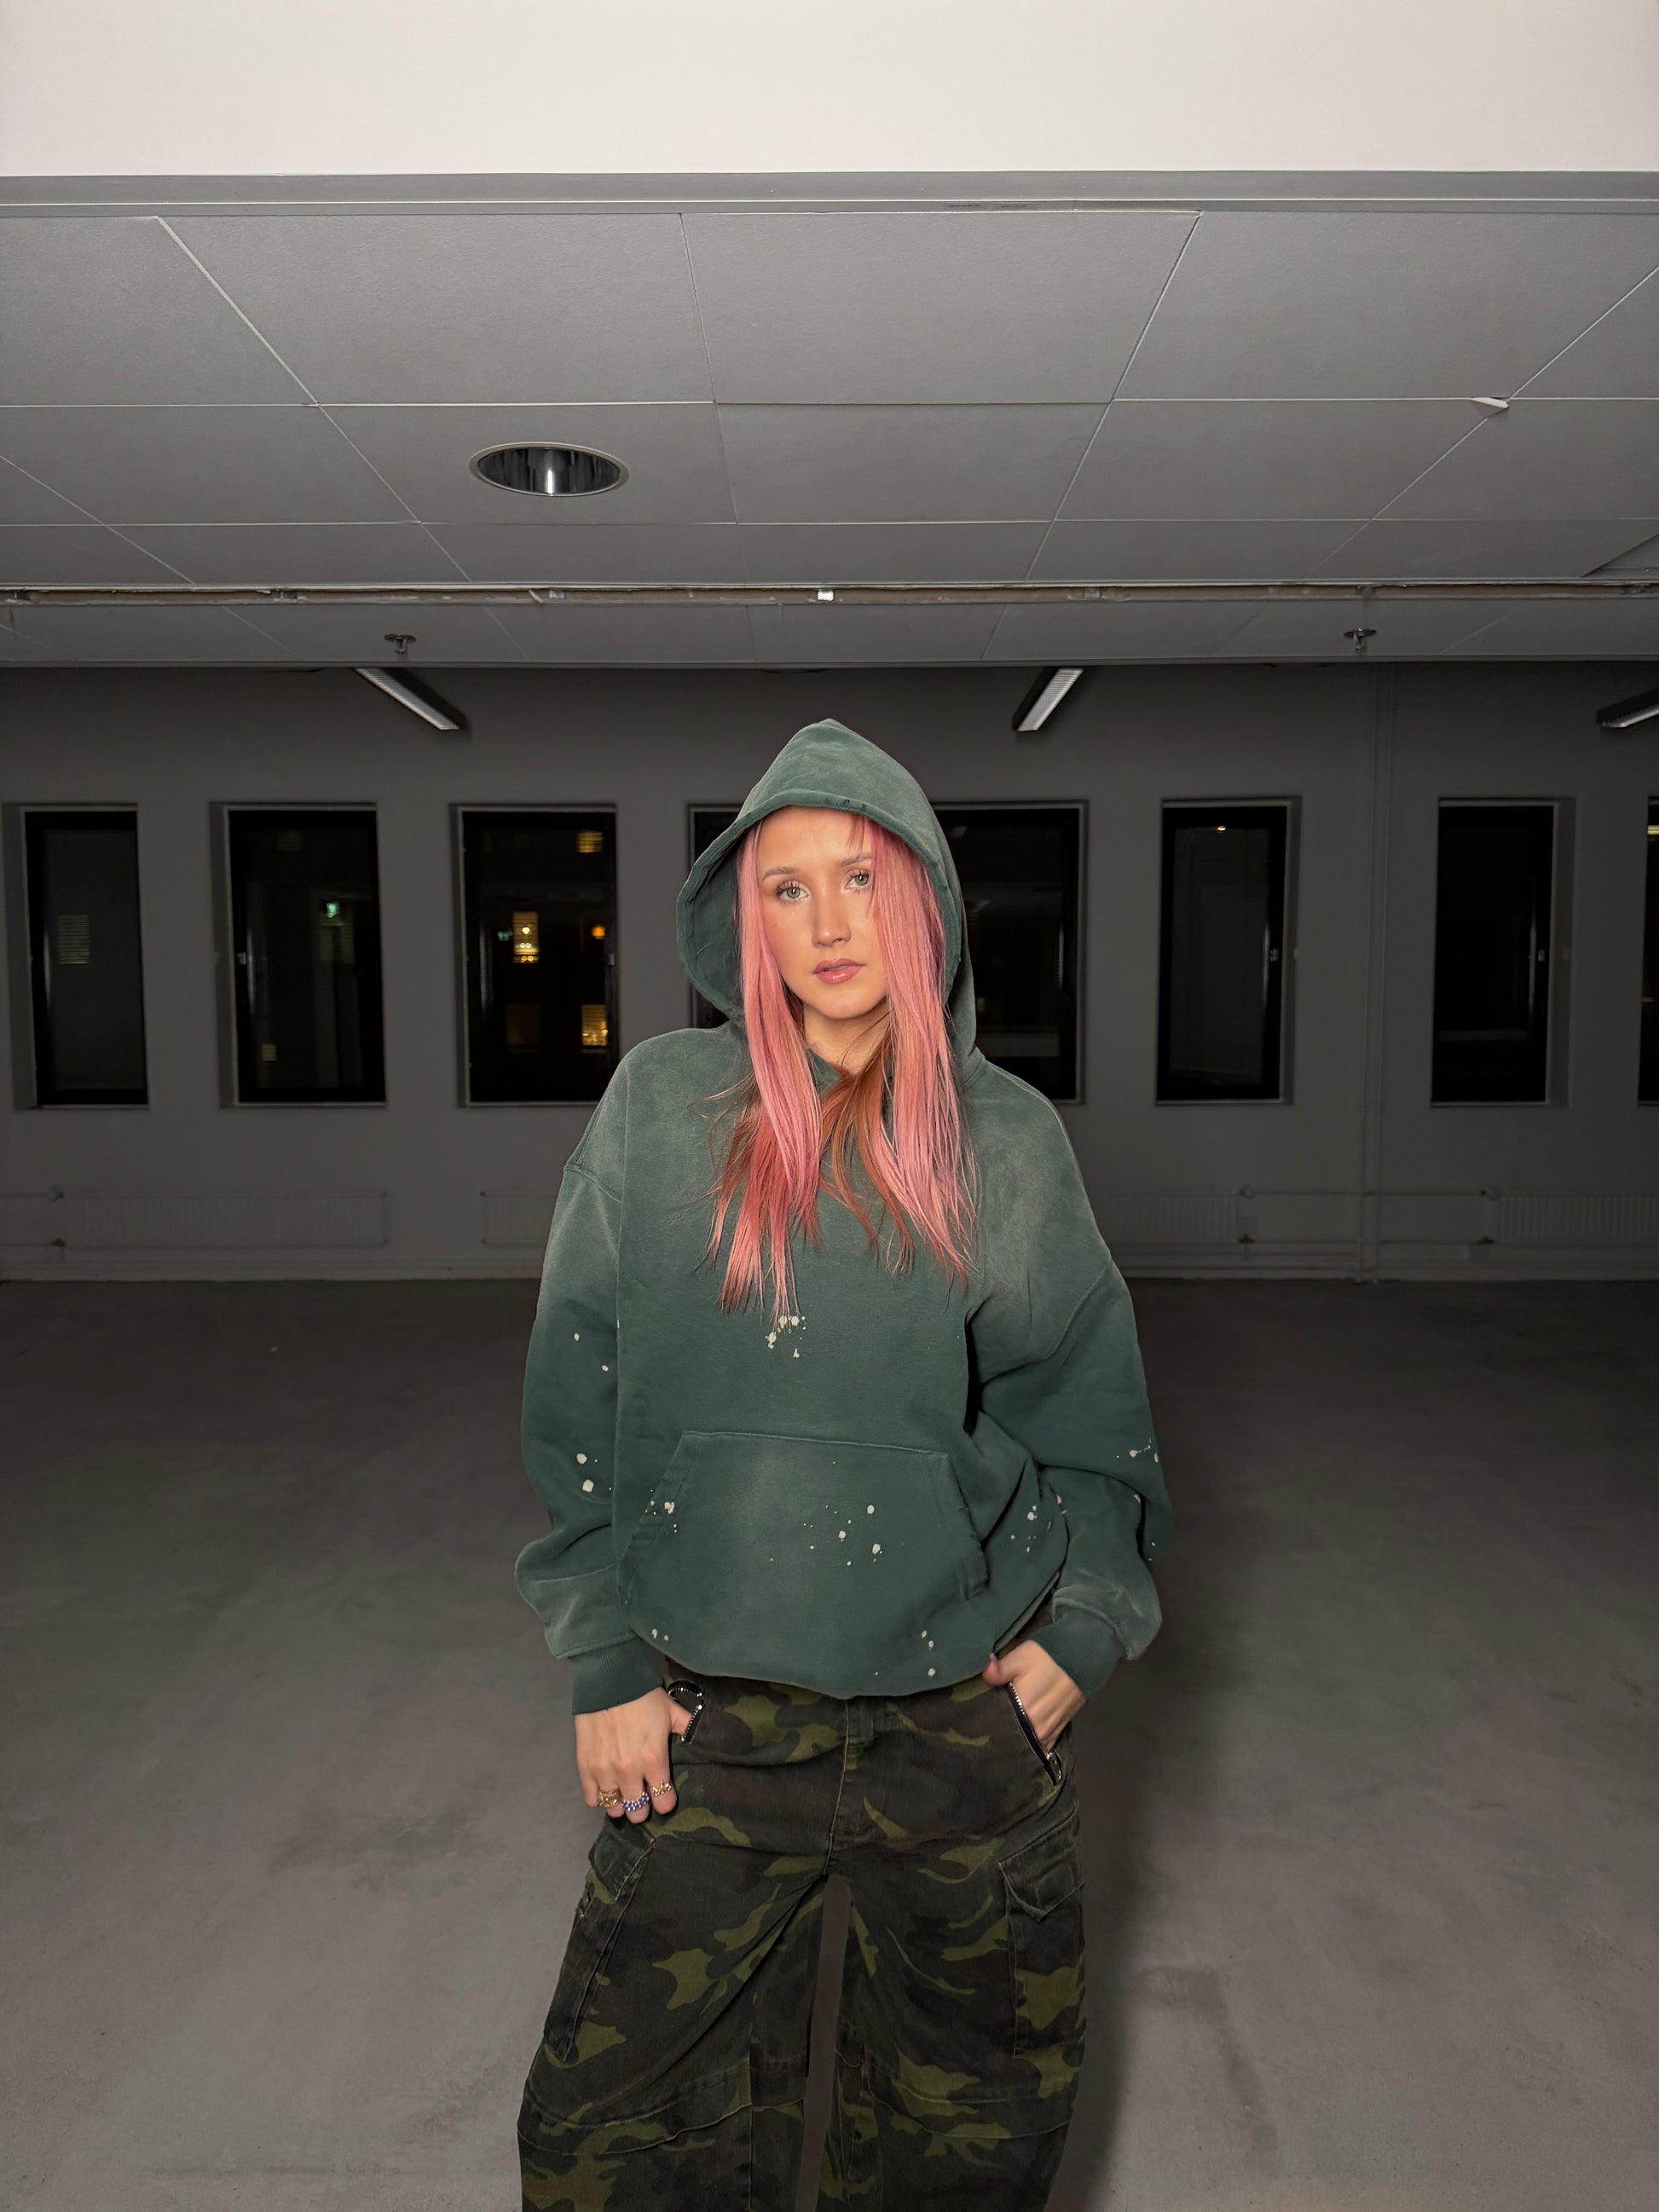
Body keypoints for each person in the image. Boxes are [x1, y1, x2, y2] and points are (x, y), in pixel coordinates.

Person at [513, 718, 1170, 2210]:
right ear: (743, 918)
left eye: (860, 879)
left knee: (964, 2151)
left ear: (922, 896)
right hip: (707, 1726)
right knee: (610, 2151)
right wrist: (602, 1657)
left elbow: (1091, 1419)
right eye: (787, 888)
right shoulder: (661, 1111)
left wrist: (1080, 1629)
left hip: (956, 1728)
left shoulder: (1004, 1140)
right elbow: (575, 1394)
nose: (826, 924)